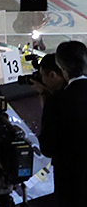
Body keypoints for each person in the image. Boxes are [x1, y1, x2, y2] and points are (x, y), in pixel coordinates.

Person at [38, 40, 87, 206]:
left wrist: (45, 102)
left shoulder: (57, 102)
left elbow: (47, 148)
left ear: (62, 69)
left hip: (72, 187)